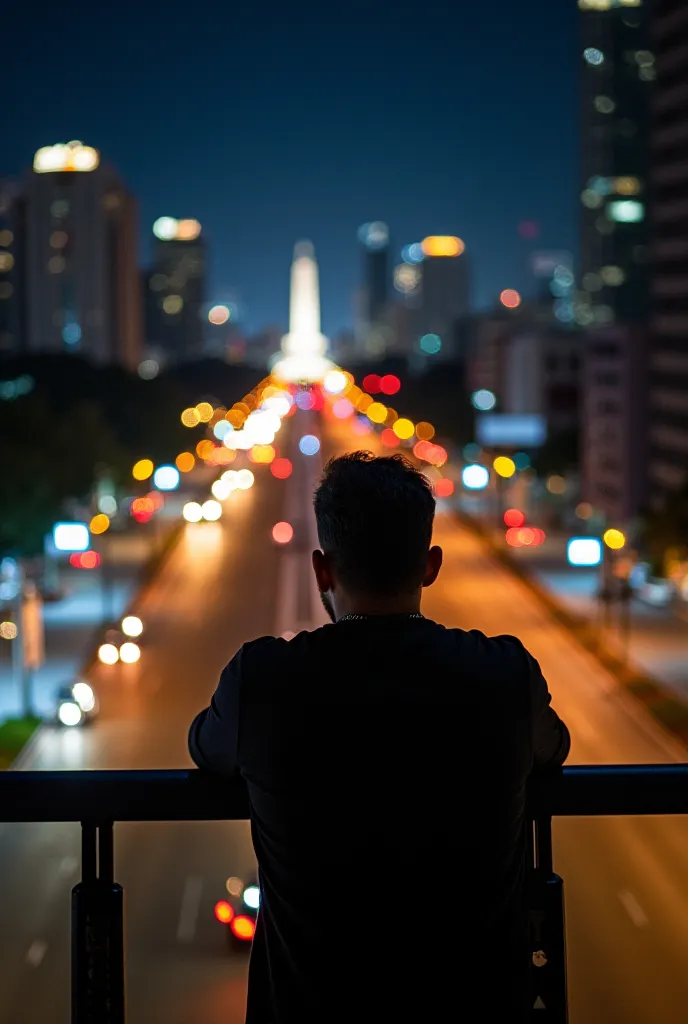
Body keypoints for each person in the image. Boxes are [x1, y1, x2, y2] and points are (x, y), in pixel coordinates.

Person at [188, 451, 570, 1023]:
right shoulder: (504, 673)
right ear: (430, 565)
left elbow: (205, 750)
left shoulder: (263, 679)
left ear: (322, 570)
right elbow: (554, 750)